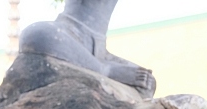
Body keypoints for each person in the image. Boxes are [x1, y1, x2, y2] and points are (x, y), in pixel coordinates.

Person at [19, 0, 156, 97]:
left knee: (148, 82)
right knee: (38, 33)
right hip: (69, 32)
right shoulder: (50, 33)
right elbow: (34, 37)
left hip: (98, 49)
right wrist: (105, 70)